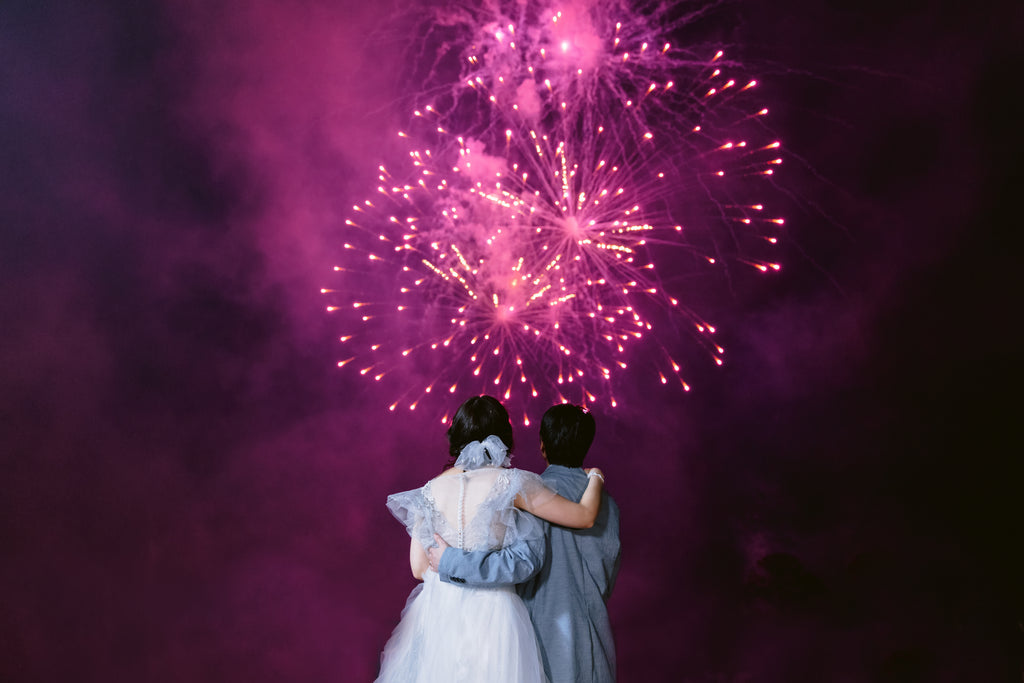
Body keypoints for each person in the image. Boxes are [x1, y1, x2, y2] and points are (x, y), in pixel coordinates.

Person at [375, 395, 606, 683]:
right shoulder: (513, 482)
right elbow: (584, 516)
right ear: (504, 437)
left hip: (437, 611)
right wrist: (595, 477)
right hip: (493, 611)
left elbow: (419, 569)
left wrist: (451, 564)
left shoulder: (429, 490)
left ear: (457, 437)